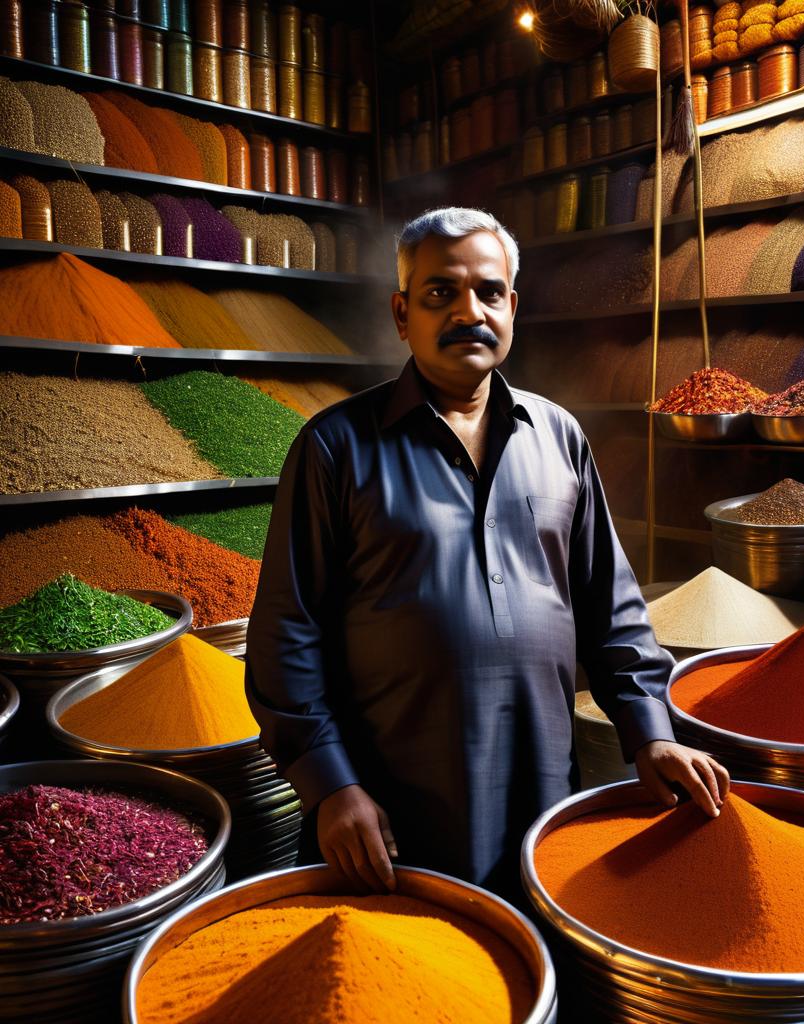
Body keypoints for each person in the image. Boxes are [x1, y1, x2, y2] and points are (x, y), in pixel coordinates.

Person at [245, 207, 729, 900]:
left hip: (540, 797)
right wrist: (330, 787)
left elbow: (611, 609)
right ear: (401, 313)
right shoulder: (334, 447)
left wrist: (648, 731)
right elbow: (286, 638)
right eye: (441, 293)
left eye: (489, 292)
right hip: (387, 817)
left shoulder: (558, 436)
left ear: (512, 307)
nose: (468, 311)